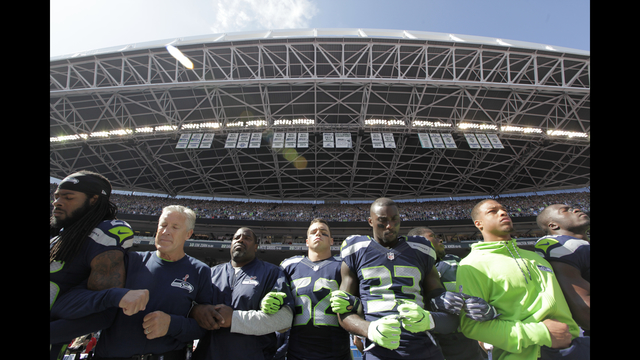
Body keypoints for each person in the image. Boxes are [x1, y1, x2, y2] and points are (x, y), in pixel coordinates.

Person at [330, 198, 492, 360]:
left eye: (395, 220)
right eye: (383, 221)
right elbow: (344, 311)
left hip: (423, 345)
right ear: (371, 221)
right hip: (378, 348)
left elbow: (438, 299)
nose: (390, 226)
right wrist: (370, 329)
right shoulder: (356, 248)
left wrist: (430, 318)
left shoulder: (421, 248)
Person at [52, 205, 214, 359]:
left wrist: (172, 324)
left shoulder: (200, 270)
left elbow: (204, 327)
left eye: (175, 227)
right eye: (163, 225)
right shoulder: (128, 261)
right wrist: (114, 296)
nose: (165, 231)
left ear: (188, 234)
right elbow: (70, 300)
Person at [456, 199, 589, 360]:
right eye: (493, 211)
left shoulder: (537, 257)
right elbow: (472, 327)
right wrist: (542, 333)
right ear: (479, 224)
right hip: (527, 354)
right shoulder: (471, 264)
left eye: (503, 209)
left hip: (576, 346)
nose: (503, 212)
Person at [50, 171, 134, 360]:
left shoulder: (103, 235)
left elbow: (101, 314)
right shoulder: (58, 236)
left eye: (68, 197)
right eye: (57, 196)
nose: (57, 202)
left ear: (94, 200)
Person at [190, 227, 295, 360]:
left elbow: (284, 320)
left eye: (247, 238)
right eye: (236, 237)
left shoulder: (272, 273)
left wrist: (235, 319)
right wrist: (196, 310)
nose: (240, 240)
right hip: (207, 354)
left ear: (256, 247)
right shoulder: (210, 273)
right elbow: (187, 309)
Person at [407, 226, 485, 360]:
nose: (440, 239)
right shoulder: (409, 267)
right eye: (433, 236)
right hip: (428, 336)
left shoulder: (455, 261)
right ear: (418, 241)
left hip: (464, 338)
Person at [279, 218, 352, 360]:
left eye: (324, 232)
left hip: (337, 353)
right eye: (313, 232)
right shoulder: (289, 266)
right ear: (307, 241)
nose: (318, 233)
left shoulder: (344, 265)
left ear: (331, 241)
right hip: (297, 353)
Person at [534, 204, 590, 335]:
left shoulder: (580, 246)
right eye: (566, 211)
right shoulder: (561, 246)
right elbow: (584, 310)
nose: (576, 210)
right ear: (553, 225)